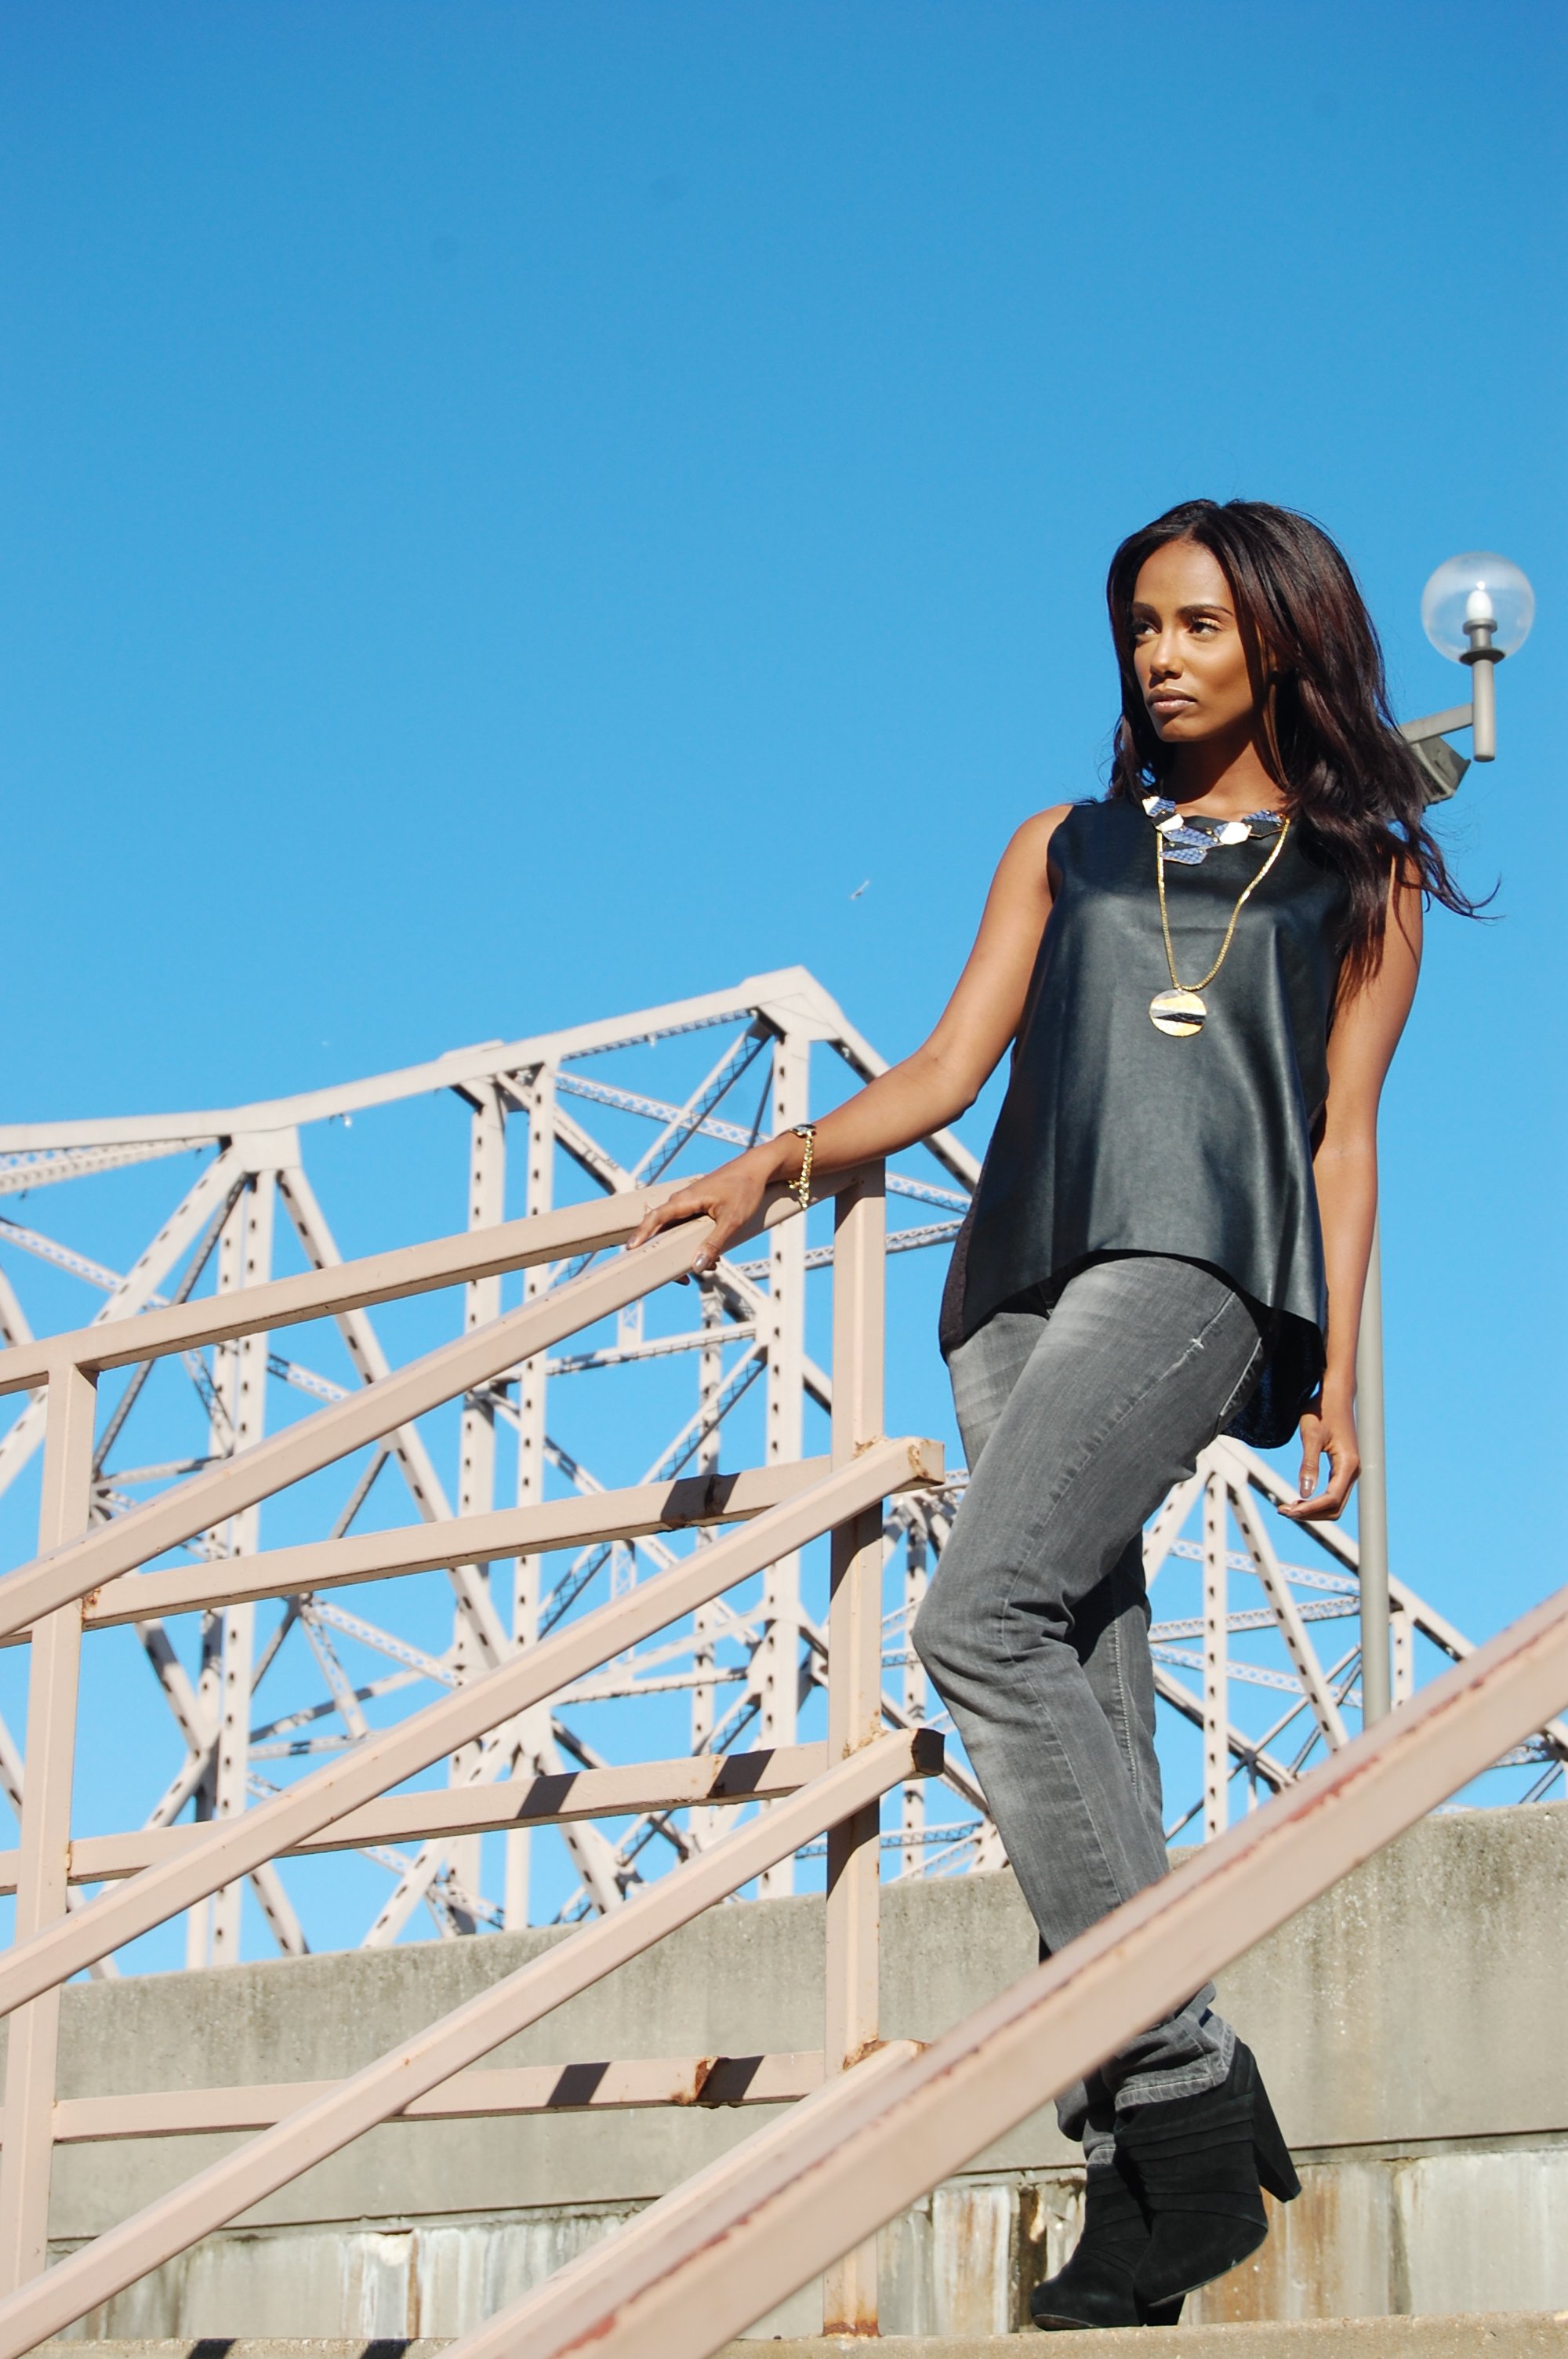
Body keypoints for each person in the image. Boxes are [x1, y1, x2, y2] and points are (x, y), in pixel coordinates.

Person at [632, 498, 1479, 2328]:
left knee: (975, 1620)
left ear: (1278, 634)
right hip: (1009, 1278)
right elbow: (947, 1068)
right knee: (1085, 1701)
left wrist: (1345, 1369)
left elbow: (1341, 1137)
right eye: (1137, 631)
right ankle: (1140, 2183)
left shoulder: (1368, 872)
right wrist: (775, 1162)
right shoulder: (1062, 841)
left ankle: (1175, 2090)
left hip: (1194, 1268)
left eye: (1192, 624)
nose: (1159, 658)